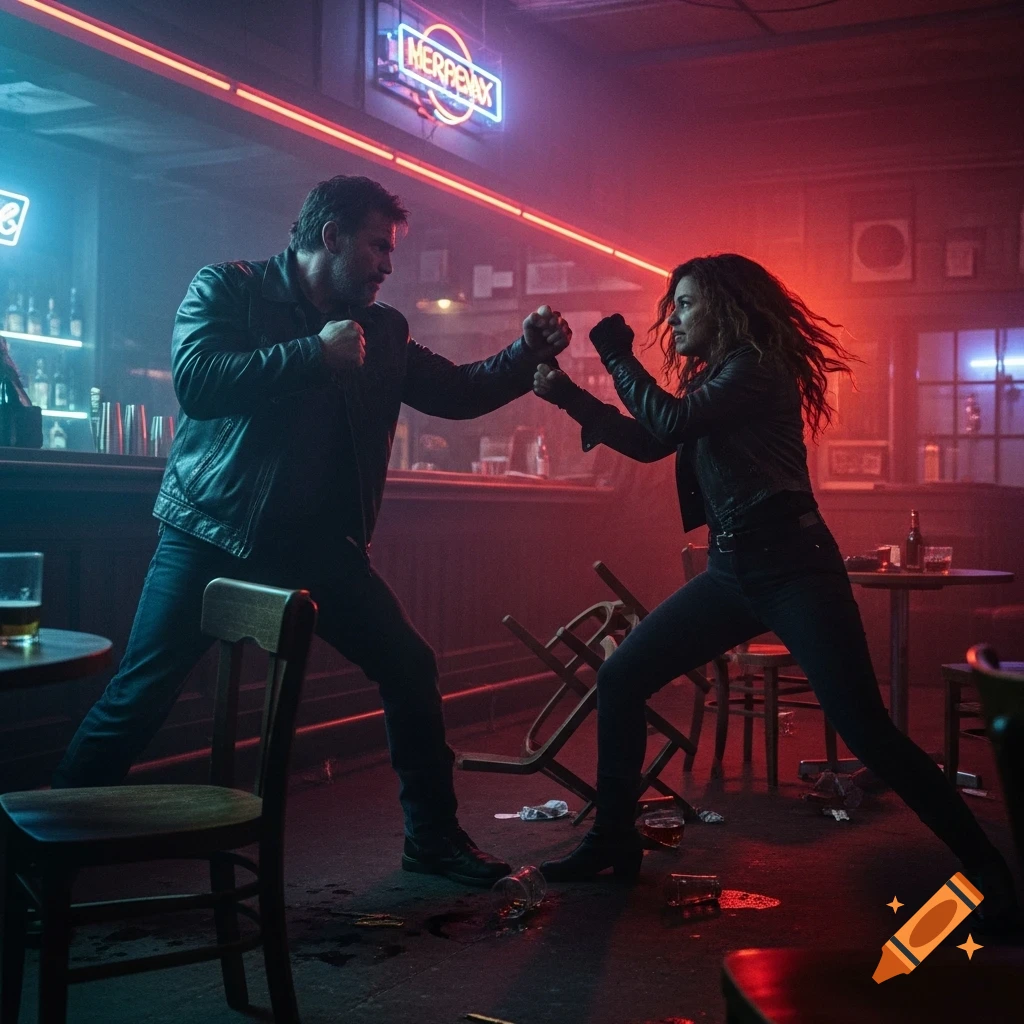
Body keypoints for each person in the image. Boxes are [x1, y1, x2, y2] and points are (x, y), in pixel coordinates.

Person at [53, 175, 571, 887]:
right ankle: (46, 854)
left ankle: (433, 839)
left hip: (320, 550)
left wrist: (527, 354)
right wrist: (312, 356)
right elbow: (197, 381)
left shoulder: (382, 329)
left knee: (409, 666)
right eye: (378, 246)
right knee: (138, 697)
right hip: (212, 534)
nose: (388, 265)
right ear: (330, 236)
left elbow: (456, 393)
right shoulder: (229, 289)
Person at [531, 253, 1017, 929]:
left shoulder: (757, 368)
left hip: (795, 569)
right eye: (673, 305)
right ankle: (613, 841)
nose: (674, 317)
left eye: (688, 304)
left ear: (728, 308)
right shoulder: (718, 378)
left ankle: (990, 865)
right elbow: (651, 442)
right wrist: (567, 396)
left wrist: (614, 354)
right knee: (622, 677)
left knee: (867, 733)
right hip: (731, 571)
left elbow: (666, 424)